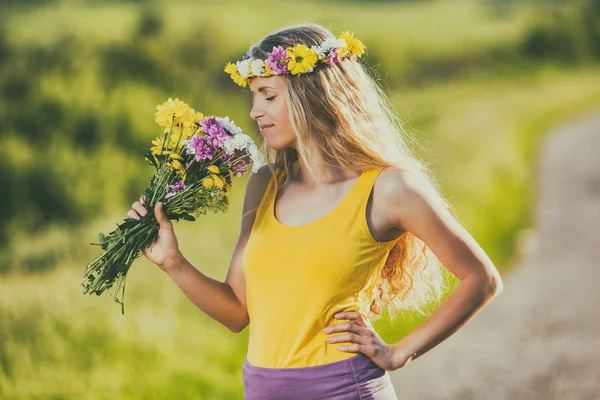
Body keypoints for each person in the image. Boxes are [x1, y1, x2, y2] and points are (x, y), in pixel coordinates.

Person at [127, 23, 503, 400]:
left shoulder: (388, 189)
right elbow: (237, 313)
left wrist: (399, 352)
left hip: (344, 389)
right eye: (254, 97)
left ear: (313, 96)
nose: (255, 112)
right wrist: (173, 263)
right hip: (261, 389)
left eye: (268, 96)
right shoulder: (265, 184)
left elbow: (481, 278)